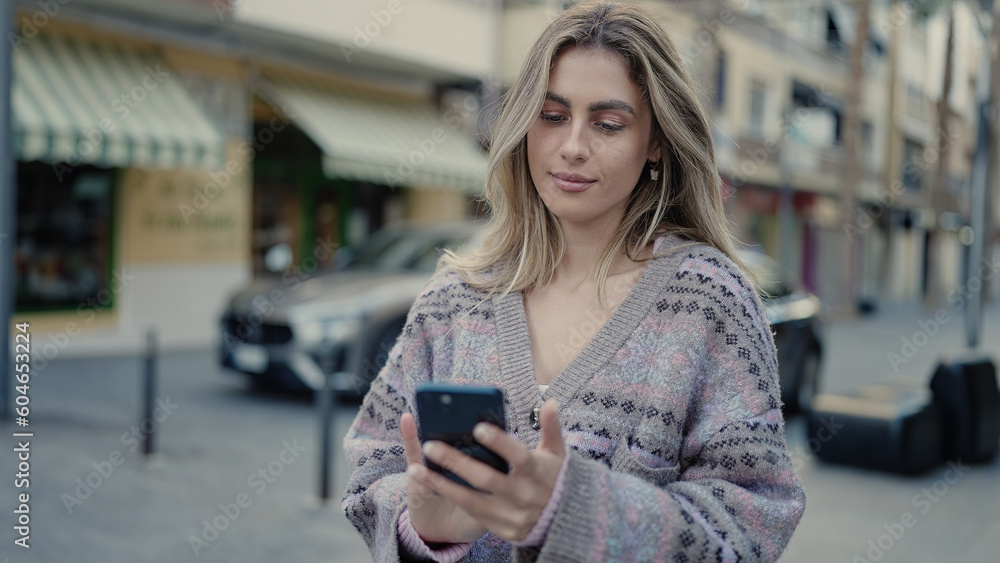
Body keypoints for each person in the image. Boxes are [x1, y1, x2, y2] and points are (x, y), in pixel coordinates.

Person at [342, 2, 806, 561]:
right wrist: (421, 522)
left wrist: (577, 510)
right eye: (552, 115)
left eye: (608, 124)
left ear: (656, 141)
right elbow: (374, 462)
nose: (573, 146)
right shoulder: (453, 301)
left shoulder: (710, 302)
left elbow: (754, 523)